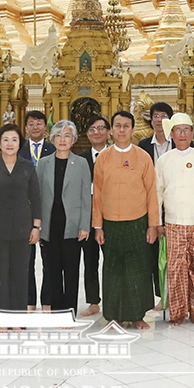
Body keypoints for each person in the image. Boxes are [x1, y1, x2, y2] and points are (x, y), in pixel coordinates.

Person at [93, 111, 157, 329]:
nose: (121, 130)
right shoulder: (103, 158)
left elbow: (152, 193)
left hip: (138, 221)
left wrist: (152, 225)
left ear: (132, 129)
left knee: (137, 269)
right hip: (110, 222)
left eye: (126, 126)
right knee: (113, 270)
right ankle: (115, 316)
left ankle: (138, 315)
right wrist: (98, 226)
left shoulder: (143, 157)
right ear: (111, 130)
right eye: (117, 125)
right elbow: (98, 194)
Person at [156, 112, 194, 327]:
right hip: (173, 223)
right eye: (177, 130)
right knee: (176, 269)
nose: (182, 134)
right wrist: (157, 222)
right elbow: (157, 193)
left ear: (193, 133)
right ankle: (178, 311)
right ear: (171, 134)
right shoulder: (164, 160)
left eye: (186, 130)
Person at [0, 123, 40, 318]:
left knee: (20, 275)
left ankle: (18, 320)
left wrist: (36, 226)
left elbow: (36, 198)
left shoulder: (28, 166)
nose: (10, 144)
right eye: (5, 140)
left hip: (23, 228)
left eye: (14, 139)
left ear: (19, 143)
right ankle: (0, 319)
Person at [36, 120, 91, 312]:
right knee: (52, 272)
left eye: (67, 135)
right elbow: (38, 195)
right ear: (52, 139)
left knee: (71, 271)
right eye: (58, 135)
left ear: (73, 139)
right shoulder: (43, 163)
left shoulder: (81, 163)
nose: (62, 139)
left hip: (73, 225)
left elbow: (86, 197)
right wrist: (37, 224)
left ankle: (69, 311)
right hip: (50, 225)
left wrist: (85, 225)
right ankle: (57, 311)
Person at [140, 102, 174, 308]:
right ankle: (161, 297)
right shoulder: (143, 146)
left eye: (163, 116)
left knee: (176, 255)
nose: (159, 120)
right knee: (154, 256)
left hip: (175, 207)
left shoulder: (180, 143)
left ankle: (178, 295)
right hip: (149, 207)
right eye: (155, 116)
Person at [20, 110, 52, 309]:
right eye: (31, 123)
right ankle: (29, 300)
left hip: (48, 210)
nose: (35, 127)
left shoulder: (54, 149)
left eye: (39, 123)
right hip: (24, 211)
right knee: (26, 260)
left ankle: (47, 301)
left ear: (45, 127)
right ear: (26, 128)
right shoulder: (19, 150)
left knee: (49, 260)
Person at [80, 115, 110, 317]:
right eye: (91, 129)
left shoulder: (117, 155)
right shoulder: (80, 159)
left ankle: (113, 298)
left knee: (112, 260)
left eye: (100, 128)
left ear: (109, 132)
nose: (96, 132)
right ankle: (93, 301)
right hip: (88, 217)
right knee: (90, 260)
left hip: (112, 216)